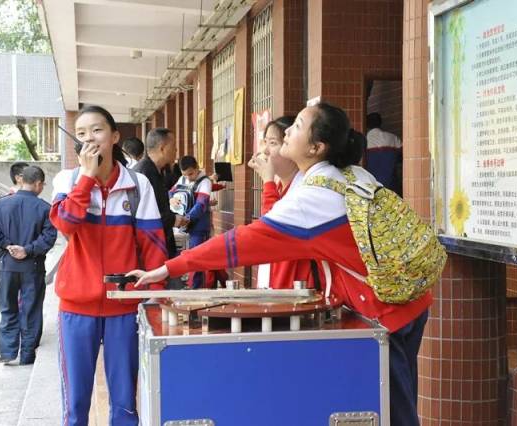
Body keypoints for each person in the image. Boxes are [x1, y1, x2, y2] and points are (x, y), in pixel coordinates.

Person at [131, 102, 430, 426]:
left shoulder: (315, 198)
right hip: (410, 295)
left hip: (384, 309)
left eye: (297, 126)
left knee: (396, 413)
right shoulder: (351, 174)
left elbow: (242, 242)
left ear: (316, 148)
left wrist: (171, 267)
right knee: (398, 402)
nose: (287, 131)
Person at [50, 105, 167, 426]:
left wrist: (155, 299)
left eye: (97, 130)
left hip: (124, 306)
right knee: (75, 404)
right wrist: (86, 178)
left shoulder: (137, 183)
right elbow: (66, 225)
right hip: (75, 307)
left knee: (125, 402)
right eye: (83, 133)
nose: (90, 138)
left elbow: (153, 244)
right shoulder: (67, 180)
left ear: (115, 136)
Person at [0, 166, 57, 365]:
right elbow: (49, 237)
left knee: (8, 308)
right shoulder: (44, 208)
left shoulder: (1, 204)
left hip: (7, 265)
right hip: (32, 266)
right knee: (31, 310)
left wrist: (7, 246)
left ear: (21, 180)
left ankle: (7, 352)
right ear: (39, 184)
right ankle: (27, 355)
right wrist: (28, 249)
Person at [248, 115, 319, 290]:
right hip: (278, 280)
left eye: (273, 143)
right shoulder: (280, 186)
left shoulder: (306, 186)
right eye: (264, 142)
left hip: (297, 284)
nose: (264, 151)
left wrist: (268, 181)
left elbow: (272, 229)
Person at [133, 128, 186, 259]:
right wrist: (174, 219)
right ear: (162, 148)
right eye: (173, 146)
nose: (176, 150)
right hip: (151, 247)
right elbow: (148, 213)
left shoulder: (158, 170)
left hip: (161, 240)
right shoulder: (144, 172)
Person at [169, 155, 213, 288]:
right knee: (183, 257)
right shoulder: (182, 178)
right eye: (185, 175)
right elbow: (171, 192)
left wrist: (186, 219)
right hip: (182, 225)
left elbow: (201, 205)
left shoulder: (205, 182)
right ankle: (185, 285)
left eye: (191, 174)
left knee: (197, 259)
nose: (188, 178)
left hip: (198, 226)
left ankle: (196, 288)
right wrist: (171, 199)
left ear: (197, 168)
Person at [365, 112, 402, 194]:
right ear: (380, 123)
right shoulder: (393, 138)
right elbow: (403, 157)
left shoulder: (364, 140)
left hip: (372, 187)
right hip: (391, 186)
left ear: (366, 125)